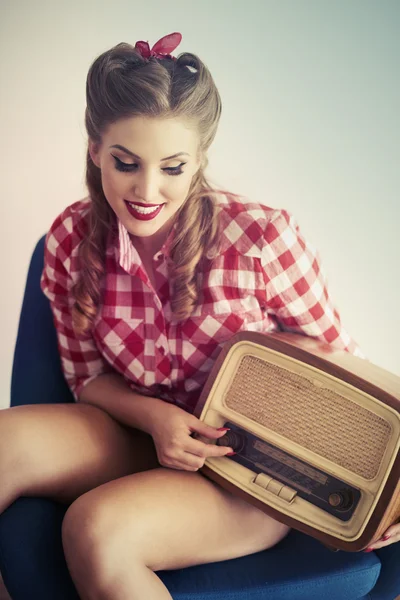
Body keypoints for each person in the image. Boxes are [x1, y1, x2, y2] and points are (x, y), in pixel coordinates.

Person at [1, 31, 398, 600]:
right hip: (134, 432)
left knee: (96, 531)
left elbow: (342, 372)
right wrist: (156, 420)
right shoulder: (70, 236)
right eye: (126, 162)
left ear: (199, 161)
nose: (147, 188)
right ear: (95, 150)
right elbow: (88, 381)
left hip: (243, 471)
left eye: (172, 166)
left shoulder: (262, 238)